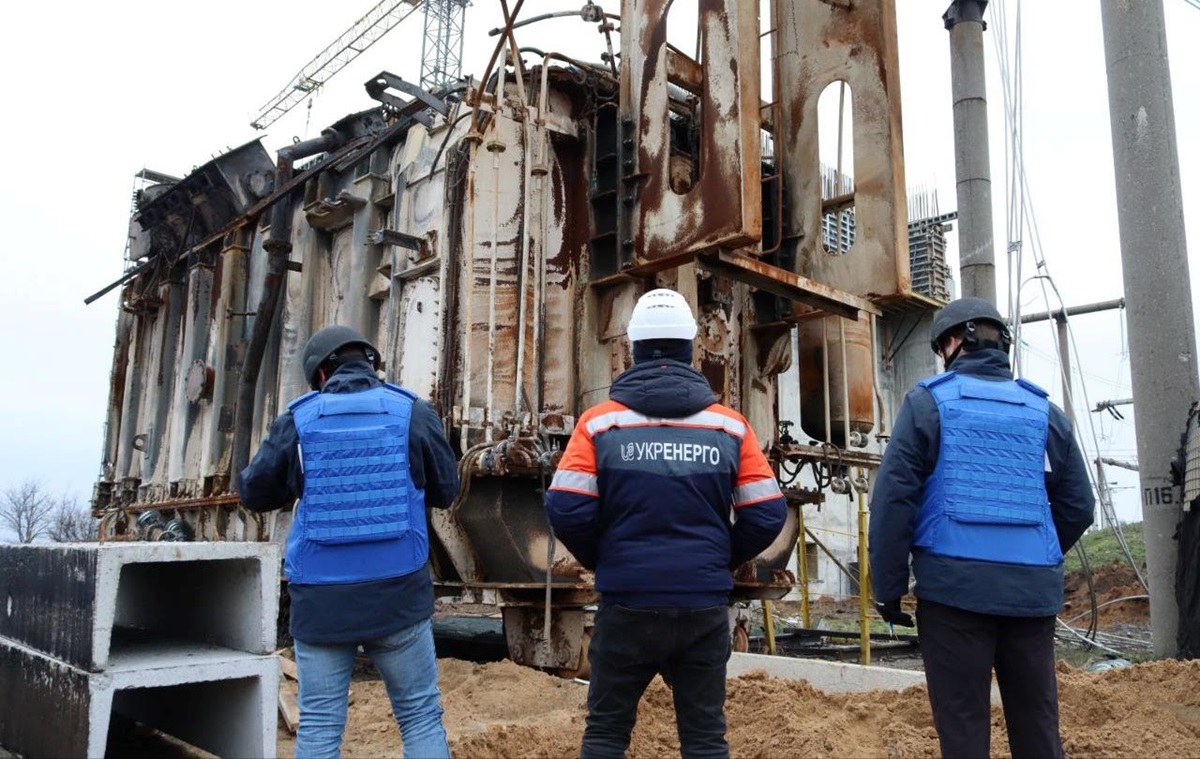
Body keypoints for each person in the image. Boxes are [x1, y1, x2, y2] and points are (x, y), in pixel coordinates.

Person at [545, 288, 788, 759]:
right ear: (691, 347)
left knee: (606, 734)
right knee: (705, 739)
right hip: (702, 607)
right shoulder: (730, 427)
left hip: (627, 605)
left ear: (632, 347)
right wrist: (720, 557)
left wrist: (605, 557)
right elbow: (767, 513)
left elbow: (566, 508)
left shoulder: (598, 425)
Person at [868, 297, 1095, 759]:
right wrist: (1035, 554)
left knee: (964, 730)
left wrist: (888, 591)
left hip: (953, 595)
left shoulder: (927, 403)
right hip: (1030, 598)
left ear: (954, 342)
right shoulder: (1044, 412)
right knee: (1038, 728)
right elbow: (1079, 506)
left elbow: (893, 501)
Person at [239, 325, 460, 759]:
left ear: (321, 374)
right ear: (371, 365)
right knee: (419, 718)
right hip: (399, 598)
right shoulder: (413, 412)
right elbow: (446, 490)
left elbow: (254, 493)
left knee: (320, 726)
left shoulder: (298, 419)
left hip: (321, 604)